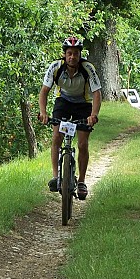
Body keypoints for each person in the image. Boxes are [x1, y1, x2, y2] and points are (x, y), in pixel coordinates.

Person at [38, 36, 102, 200]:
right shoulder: (55, 67)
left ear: (80, 55)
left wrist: (93, 115)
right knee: (57, 137)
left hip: (83, 103)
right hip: (63, 102)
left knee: (82, 143)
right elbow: (44, 91)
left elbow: (96, 94)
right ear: (64, 55)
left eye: (75, 53)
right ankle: (56, 176)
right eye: (69, 53)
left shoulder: (88, 68)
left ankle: (81, 181)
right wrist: (43, 113)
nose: (72, 57)